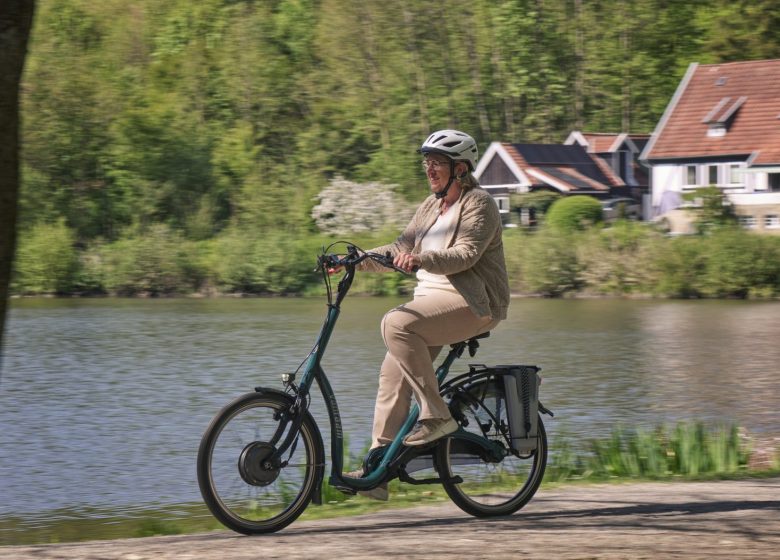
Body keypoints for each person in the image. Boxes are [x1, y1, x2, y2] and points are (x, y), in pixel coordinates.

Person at [347, 129, 510, 500]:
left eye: (437, 163)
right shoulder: (430, 206)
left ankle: (436, 416)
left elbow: (466, 253)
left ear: (461, 169)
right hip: (431, 303)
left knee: (395, 322)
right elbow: (399, 248)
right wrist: (357, 260)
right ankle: (378, 472)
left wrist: (422, 259)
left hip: (473, 304)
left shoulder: (479, 203)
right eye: (427, 163)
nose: (429, 169)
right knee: (391, 377)